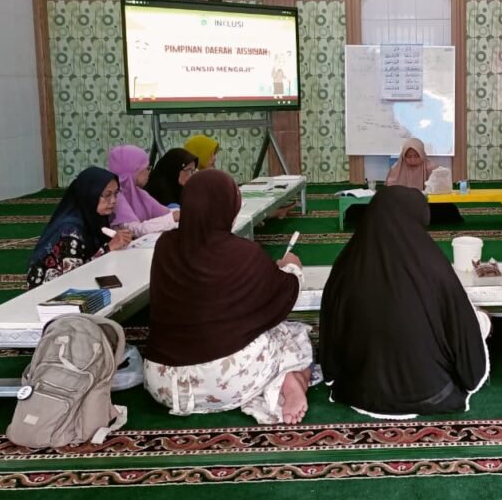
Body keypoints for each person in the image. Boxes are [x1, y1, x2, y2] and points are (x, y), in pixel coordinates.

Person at [143, 170, 313, 424]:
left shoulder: (165, 245)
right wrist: (292, 267)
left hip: (163, 383)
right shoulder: (243, 253)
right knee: (289, 334)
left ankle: (284, 382)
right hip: (225, 382)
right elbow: (283, 293)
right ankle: (289, 381)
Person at [318, 185, 490, 418]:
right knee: (477, 318)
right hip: (431, 394)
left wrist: (331, 374)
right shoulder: (433, 266)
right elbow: (461, 332)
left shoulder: (346, 264)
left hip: (358, 392)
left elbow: (330, 327)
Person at [26, 167, 132, 288]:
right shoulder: (70, 230)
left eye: (116, 193)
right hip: (50, 292)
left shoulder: (94, 216)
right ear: (90, 194)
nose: (113, 200)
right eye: (107, 195)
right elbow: (73, 278)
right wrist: (108, 248)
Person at [107, 145, 179, 237]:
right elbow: (134, 230)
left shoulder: (140, 193)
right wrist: (172, 218)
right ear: (134, 170)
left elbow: (164, 212)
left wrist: (180, 213)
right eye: (147, 168)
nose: (149, 172)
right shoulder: (116, 196)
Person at [385, 137, 462, 225]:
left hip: (425, 202)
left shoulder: (431, 167)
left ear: (422, 154)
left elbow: (439, 189)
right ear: (403, 156)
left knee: (448, 208)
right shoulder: (396, 169)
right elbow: (391, 192)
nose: (412, 160)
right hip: (404, 203)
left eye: (416, 156)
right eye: (409, 157)